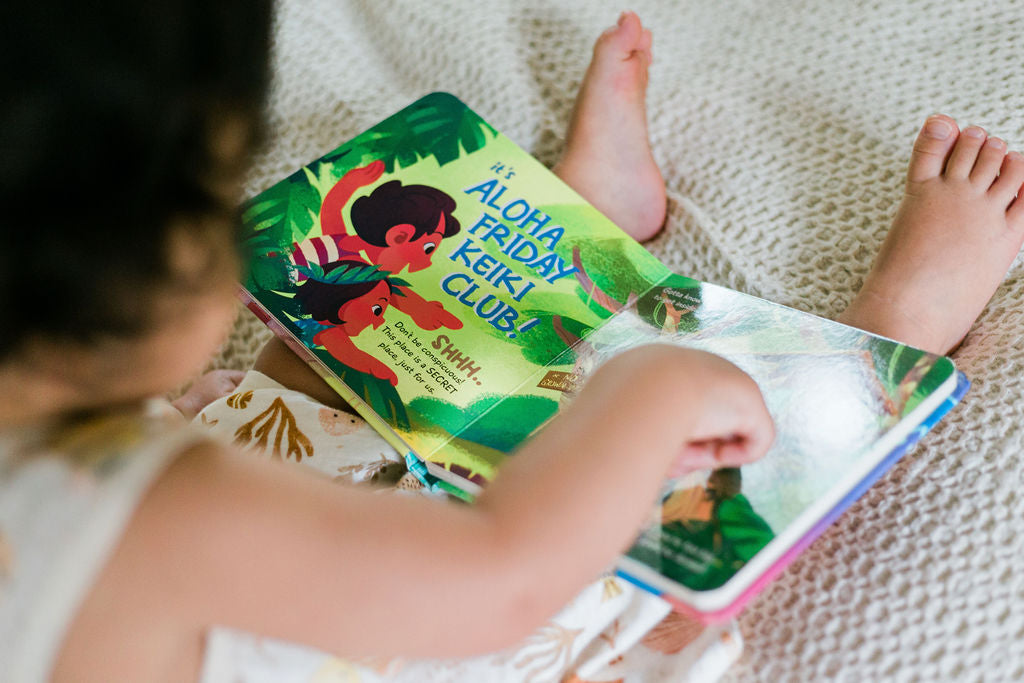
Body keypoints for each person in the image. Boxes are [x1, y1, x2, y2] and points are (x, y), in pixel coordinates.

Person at [1, 6, 1022, 683]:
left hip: (223, 560)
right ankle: (893, 333)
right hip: (415, 628)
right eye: (204, 194)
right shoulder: (135, 518)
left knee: (330, 346)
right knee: (646, 523)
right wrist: (651, 390)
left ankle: (572, 240)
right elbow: (502, 575)